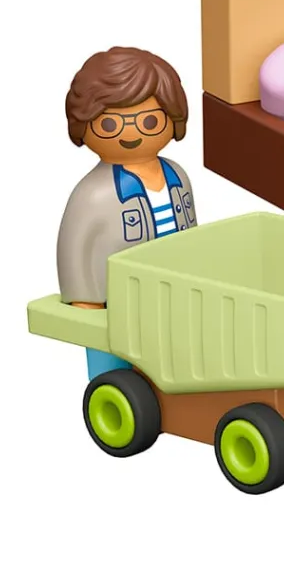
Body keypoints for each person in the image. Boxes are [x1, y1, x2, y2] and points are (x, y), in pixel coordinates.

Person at [56, 46, 197, 376]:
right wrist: (85, 300)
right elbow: (74, 247)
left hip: (174, 294)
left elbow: (192, 232)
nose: (130, 133)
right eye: (109, 124)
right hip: (116, 301)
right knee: (114, 370)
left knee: (170, 363)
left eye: (149, 121)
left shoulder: (177, 176)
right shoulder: (93, 193)